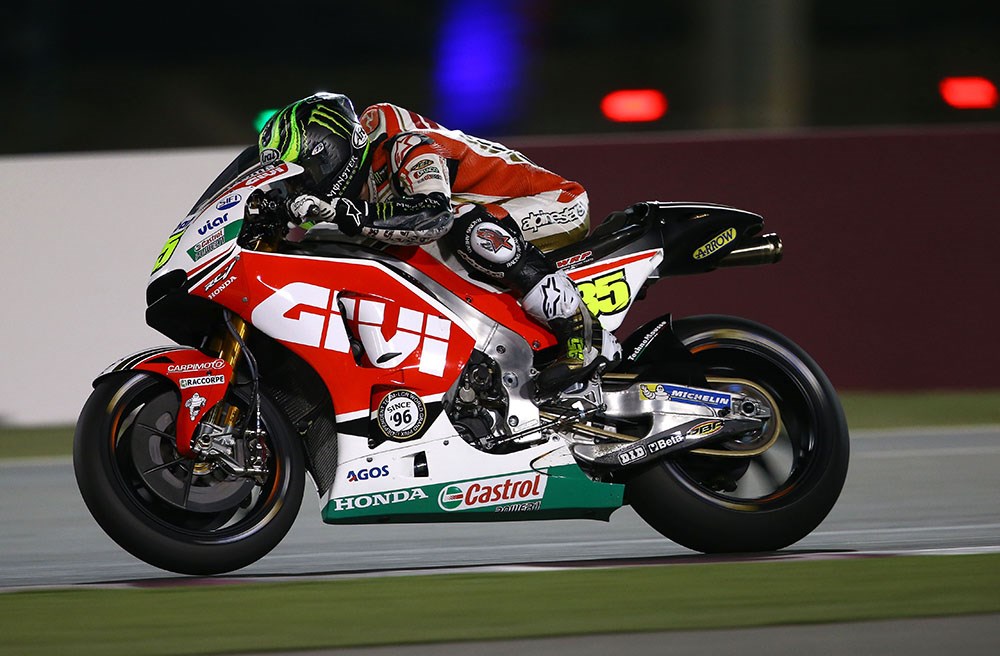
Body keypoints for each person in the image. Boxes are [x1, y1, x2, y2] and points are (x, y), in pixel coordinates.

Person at [257, 91, 620, 393]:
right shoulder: (358, 191)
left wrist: (345, 212)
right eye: (291, 183)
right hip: (492, 218)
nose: (301, 188)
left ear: (333, 150)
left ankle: (581, 329)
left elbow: (434, 216)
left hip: (554, 202)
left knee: (465, 223)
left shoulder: (401, 143)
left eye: (305, 174)